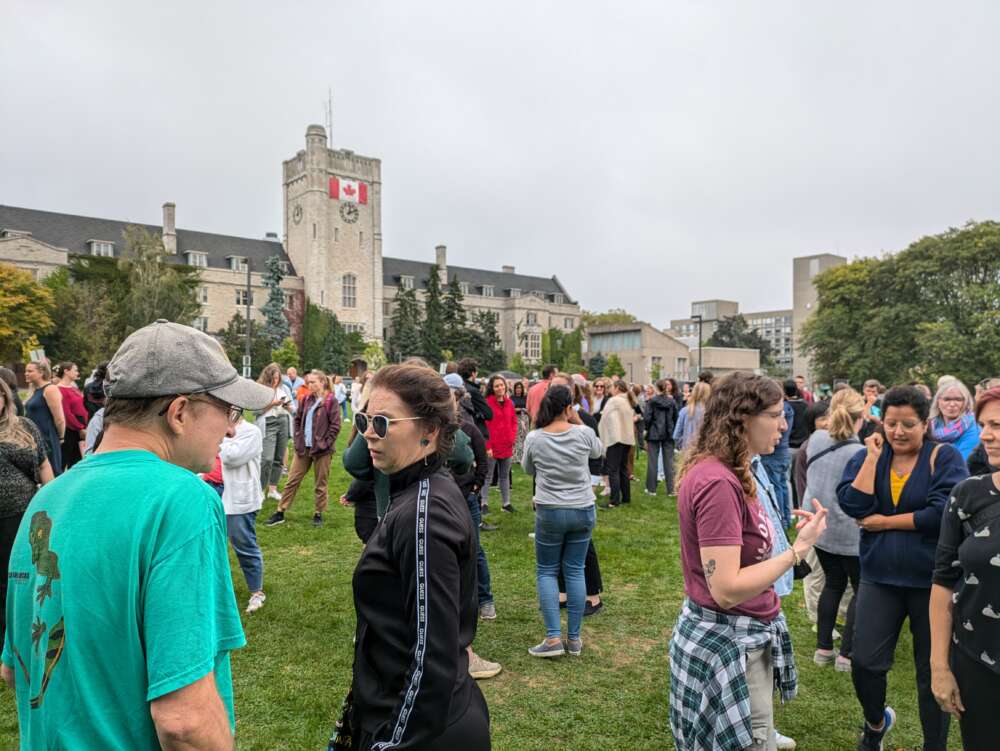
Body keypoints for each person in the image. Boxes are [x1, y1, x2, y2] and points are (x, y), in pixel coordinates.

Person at [1, 319, 272, 748]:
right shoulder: (182, 500)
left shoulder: (46, 500)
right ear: (180, 412)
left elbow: (15, 667)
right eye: (228, 410)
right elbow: (184, 720)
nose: (232, 428)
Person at [668, 373, 828, 751]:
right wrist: (797, 550)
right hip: (728, 644)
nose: (785, 423)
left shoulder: (734, 469)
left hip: (739, 636)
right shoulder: (718, 481)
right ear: (741, 418)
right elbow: (725, 589)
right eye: (774, 415)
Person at [347, 364, 490, 750]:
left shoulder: (424, 514)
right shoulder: (415, 491)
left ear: (430, 430)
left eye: (382, 422)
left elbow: (434, 657)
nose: (368, 434)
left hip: (423, 732)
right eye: (363, 419)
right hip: (398, 712)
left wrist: (391, 744)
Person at [838, 385, 968, 751]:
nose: (897, 432)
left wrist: (885, 522)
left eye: (907, 424)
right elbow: (852, 503)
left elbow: (941, 512)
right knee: (864, 662)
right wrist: (869, 460)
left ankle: (934, 745)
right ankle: (876, 723)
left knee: (932, 672)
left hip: (932, 581)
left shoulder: (944, 457)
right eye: (891, 423)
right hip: (880, 577)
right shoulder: (873, 454)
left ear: (925, 424)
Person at [929, 386, 1000, 749]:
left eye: (998, 426)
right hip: (977, 660)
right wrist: (940, 668)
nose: (986, 434)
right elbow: (943, 582)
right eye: (985, 424)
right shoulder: (967, 494)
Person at [521, 385, 603, 657]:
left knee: (547, 570)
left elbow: (527, 468)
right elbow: (597, 451)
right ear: (568, 407)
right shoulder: (584, 433)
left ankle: (554, 638)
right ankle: (575, 639)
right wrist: (578, 419)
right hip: (582, 508)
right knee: (575, 570)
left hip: (550, 509)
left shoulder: (535, 437)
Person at [806, 387, 864, 671]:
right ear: (860, 417)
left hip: (822, 528)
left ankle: (823, 648)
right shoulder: (862, 452)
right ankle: (846, 655)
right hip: (852, 533)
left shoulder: (816, 438)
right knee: (859, 589)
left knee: (832, 584)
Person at [0, 379, 55, 646]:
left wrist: (53, 500)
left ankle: (23, 632)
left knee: (23, 575)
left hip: (25, 515)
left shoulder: (24, 427)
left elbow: (44, 466)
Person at [267, 370, 341, 527]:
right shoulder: (306, 399)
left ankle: (318, 513)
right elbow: (298, 419)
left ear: (322, 382)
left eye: (313, 382)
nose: (309, 385)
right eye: (308, 382)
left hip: (322, 450)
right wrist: (298, 438)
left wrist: (325, 443)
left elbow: (335, 426)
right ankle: (280, 511)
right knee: (292, 480)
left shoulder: (330, 400)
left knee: (321, 483)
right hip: (303, 448)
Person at [218, 414, 267, 614]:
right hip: (211, 489)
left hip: (238, 497)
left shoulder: (251, 432)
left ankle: (257, 592)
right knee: (211, 545)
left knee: (244, 544)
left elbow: (231, 457)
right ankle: (217, 591)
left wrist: (216, 438)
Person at [760, 385, 795, 529]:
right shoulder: (788, 407)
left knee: (776, 487)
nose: (783, 426)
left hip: (775, 452)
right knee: (782, 485)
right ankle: (786, 517)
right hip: (783, 450)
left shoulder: (781, 408)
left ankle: (781, 519)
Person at [256, 363, 293, 501]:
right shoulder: (260, 390)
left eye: (278, 378)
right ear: (267, 377)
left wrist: (288, 406)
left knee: (279, 457)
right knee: (267, 459)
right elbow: (255, 411)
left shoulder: (283, 389)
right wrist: (272, 404)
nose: (276, 381)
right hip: (268, 423)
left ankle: (272, 489)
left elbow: (292, 408)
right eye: (273, 378)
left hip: (283, 421)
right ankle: (260, 489)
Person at [482, 374, 517, 514]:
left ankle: (506, 503)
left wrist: (512, 437)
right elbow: (484, 425)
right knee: (487, 476)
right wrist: (487, 445)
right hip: (492, 446)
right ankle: (483, 503)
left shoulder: (509, 403)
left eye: (502, 385)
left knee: (504, 475)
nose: (500, 388)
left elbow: (514, 422)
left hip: (507, 445)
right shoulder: (487, 403)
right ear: (492, 388)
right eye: (497, 386)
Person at [599, 379, 636, 508]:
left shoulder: (614, 401)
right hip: (626, 438)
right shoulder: (627, 401)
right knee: (623, 468)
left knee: (613, 469)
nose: (610, 390)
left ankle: (614, 500)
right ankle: (626, 497)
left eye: (611, 387)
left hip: (615, 438)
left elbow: (605, 418)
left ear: (617, 388)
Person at [23, 361, 64, 476]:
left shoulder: (50, 389)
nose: (26, 373)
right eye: (26, 371)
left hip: (47, 437)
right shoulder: (34, 389)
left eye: (30, 371)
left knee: (52, 471)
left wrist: (60, 437)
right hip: (33, 437)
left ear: (41, 373)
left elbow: (60, 419)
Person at [929, 380, 980, 461]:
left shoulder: (973, 427)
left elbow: (963, 463)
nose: (952, 404)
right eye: (947, 399)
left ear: (966, 402)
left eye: (958, 399)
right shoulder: (930, 426)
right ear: (938, 401)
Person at [644, 379, 679, 495]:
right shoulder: (671, 402)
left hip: (654, 433)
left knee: (653, 461)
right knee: (669, 461)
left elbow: (647, 418)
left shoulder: (651, 401)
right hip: (668, 433)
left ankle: (651, 489)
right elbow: (676, 417)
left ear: (657, 388)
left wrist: (647, 429)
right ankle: (671, 489)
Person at [53, 362, 88, 471]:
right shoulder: (60, 389)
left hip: (80, 427)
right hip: (71, 430)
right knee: (66, 459)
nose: (77, 373)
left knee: (78, 461)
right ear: (66, 371)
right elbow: (66, 413)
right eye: (75, 370)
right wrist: (80, 428)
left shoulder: (73, 388)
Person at [457, 358, 493, 440]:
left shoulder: (457, 388)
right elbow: (489, 414)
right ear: (473, 374)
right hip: (474, 433)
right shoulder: (473, 391)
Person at [673, 381, 710, 451]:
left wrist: (682, 445)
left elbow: (676, 435)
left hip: (687, 449)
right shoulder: (711, 412)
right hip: (706, 451)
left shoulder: (684, 411)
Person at [511, 380, 529, 463]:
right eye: (517, 388)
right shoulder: (511, 398)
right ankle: (516, 457)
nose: (518, 389)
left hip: (524, 418)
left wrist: (525, 410)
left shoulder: (526, 397)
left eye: (520, 388)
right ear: (514, 389)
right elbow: (509, 409)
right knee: (516, 437)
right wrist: (516, 409)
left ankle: (523, 457)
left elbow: (529, 408)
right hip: (515, 418)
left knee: (524, 437)